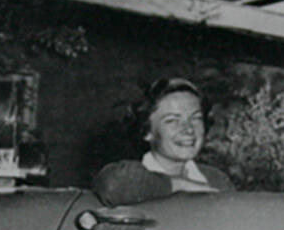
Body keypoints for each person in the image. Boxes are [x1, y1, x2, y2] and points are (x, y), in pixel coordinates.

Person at [93, 77, 233, 206]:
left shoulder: (216, 180)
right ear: (147, 131)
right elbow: (112, 185)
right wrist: (179, 185)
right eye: (172, 120)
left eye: (195, 118)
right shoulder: (128, 178)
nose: (189, 129)